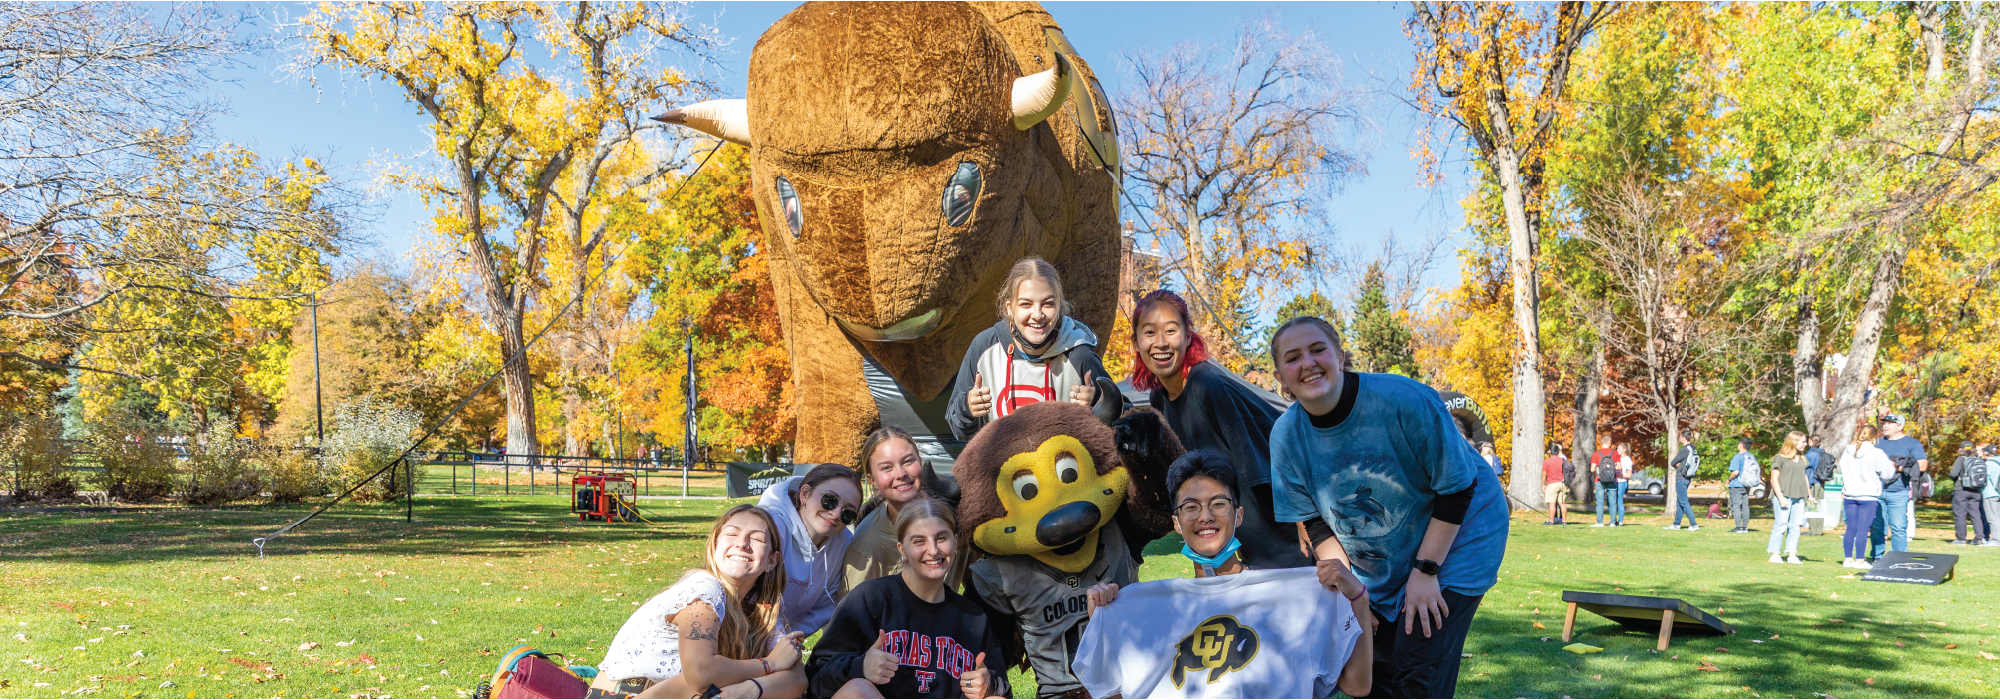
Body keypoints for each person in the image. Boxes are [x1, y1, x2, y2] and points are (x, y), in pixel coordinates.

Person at [1265, 316, 1509, 699]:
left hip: (1463, 532)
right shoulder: (1285, 438)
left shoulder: (1404, 400)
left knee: (1418, 664)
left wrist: (1427, 572)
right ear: (1281, 376)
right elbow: (1316, 525)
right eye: (1293, 358)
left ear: (1340, 357)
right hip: (1382, 556)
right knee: (1374, 663)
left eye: (1317, 350)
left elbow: (1459, 489)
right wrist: (1354, 593)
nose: (1308, 363)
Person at [1077, 450, 1374, 698]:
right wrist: (1104, 621)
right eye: (1190, 507)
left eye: (1218, 504)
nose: (1205, 516)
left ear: (1239, 514)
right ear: (1177, 523)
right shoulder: (1144, 610)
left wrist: (1358, 599)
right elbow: (1111, 691)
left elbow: (1357, 686)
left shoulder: (1293, 600)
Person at [1127, 289, 1310, 569]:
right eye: (1149, 333)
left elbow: (1259, 459)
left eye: (1171, 330)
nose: (1160, 343)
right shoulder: (1158, 400)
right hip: (1227, 536)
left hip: (1276, 530)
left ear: (1188, 336)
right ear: (1137, 343)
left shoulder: (1207, 384)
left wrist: (1303, 517)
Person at [594, 505, 808, 699]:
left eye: (757, 539)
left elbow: (797, 679)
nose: (742, 544)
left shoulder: (758, 609)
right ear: (715, 547)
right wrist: (769, 664)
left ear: (772, 560)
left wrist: (747, 690)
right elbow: (701, 673)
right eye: (731, 534)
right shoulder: (705, 588)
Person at [807, 498, 1007, 699]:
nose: (933, 550)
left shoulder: (973, 617)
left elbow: (1003, 689)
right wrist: (860, 667)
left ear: (955, 542)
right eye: (919, 541)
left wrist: (989, 683)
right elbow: (817, 678)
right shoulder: (870, 599)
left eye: (941, 538)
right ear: (902, 549)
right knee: (857, 690)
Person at [948, 257, 1121, 442]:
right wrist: (967, 408)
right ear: (1009, 308)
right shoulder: (984, 347)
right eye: (1026, 304)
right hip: (1002, 470)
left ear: (1059, 306)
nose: (1037, 315)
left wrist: (1098, 404)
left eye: (1048, 303)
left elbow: (1123, 421)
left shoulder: (1079, 354)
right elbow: (959, 431)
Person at [841, 427, 967, 599]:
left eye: (908, 461)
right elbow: (849, 614)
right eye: (887, 467)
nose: (901, 473)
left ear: (920, 462)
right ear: (872, 480)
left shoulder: (956, 515)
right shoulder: (868, 545)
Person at [758, 463, 863, 636]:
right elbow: (751, 597)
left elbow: (828, 604)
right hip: (739, 632)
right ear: (805, 494)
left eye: (848, 513)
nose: (836, 514)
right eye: (830, 500)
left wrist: (790, 637)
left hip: (784, 640)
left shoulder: (844, 541)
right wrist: (776, 641)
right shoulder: (771, 529)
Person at [1838, 425, 1898, 569]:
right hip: (1868, 495)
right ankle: (1860, 560)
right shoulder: (1876, 453)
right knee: (1863, 529)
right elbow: (1888, 474)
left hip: (1850, 494)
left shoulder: (1847, 452)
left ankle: (1848, 560)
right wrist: (1889, 463)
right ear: (1874, 437)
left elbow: (1843, 469)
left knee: (1850, 528)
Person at [1871, 414, 1926, 557]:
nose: (1885, 425)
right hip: (1876, 491)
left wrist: (1896, 467)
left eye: (1890, 423)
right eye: (1884, 423)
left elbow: (1922, 465)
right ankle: (1877, 558)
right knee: (1876, 527)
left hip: (1898, 492)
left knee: (1898, 528)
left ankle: (1898, 559)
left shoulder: (1912, 443)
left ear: (1900, 427)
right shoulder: (1876, 443)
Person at [1766, 432, 1813, 565]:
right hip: (1784, 496)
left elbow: (1804, 476)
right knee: (1781, 526)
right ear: (1794, 441)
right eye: (1803, 442)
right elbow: (1774, 478)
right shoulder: (1780, 458)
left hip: (1799, 496)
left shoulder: (1803, 458)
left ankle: (1792, 555)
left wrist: (1809, 494)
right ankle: (1775, 554)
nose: (1805, 444)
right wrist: (1781, 497)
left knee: (1796, 527)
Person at [1950, 441, 1988, 545]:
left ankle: (1961, 538)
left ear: (1961, 449)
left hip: (1961, 490)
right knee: (1976, 514)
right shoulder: (1979, 460)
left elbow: (1953, 474)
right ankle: (1979, 538)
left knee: (1960, 515)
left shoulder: (1960, 459)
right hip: (1976, 491)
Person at [1665, 431, 1701, 531]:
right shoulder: (1693, 449)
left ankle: (1694, 524)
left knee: (1684, 502)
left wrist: (1678, 465)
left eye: (1680, 437)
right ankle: (1676, 524)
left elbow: (1673, 462)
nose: (1680, 439)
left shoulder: (1684, 450)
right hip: (1688, 477)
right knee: (1680, 502)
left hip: (1681, 477)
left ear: (1683, 438)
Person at [1727, 439, 1761, 534]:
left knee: (1736, 505)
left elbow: (1735, 472)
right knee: (1745, 506)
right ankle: (1745, 527)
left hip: (1737, 484)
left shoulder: (1738, 457)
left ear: (1741, 445)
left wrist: (1729, 479)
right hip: (1747, 485)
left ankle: (1738, 527)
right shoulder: (1751, 457)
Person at [1590, 435, 1620, 527]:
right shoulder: (1614, 453)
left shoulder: (1596, 453)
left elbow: (1592, 469)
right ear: (1609, 443)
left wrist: (1600, 471)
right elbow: (1619, 467)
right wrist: (1610, 469)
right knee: (1612, 502)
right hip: (1612, 480)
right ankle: (1613, 522)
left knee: (1600, 502)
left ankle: (1599, 522)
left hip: (1599, 480)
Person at [1543, 443, 1570, 526]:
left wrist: (1543, 484)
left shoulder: (1547, 461)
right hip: (1562, 483)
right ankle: (1564, 521)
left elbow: (1544, 474)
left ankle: (1551, 521)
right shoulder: (1563, 461)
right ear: (1559, 452)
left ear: (1550, 452)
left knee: (1552, 503)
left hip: (1552, 483)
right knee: (1562, 503)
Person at [1981, 444, 2000, 546]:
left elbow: (1985, 480)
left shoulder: (1988, 464)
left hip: (1990, 493)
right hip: (1998, 493)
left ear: (1986, 453)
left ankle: (1997, 539)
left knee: (1992, 517)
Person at [1614, 441, 1635, 526]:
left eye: (1619, 448)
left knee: (1619, 501)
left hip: (1622, 483)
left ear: (1624, 450)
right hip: (1615, 482)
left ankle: (1620, 521)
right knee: (1611, 501)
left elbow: (1629, 474)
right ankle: (1613, 520)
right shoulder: (1618, 459)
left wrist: (1617, 474)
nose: (1617, 450)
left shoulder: (1627, 460)